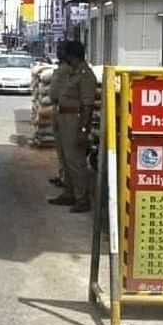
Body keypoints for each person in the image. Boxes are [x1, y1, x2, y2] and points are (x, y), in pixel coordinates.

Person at [48, 40, 97, 213]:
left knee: (75, 161)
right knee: (65, 158)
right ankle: (69, 193)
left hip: (74, 120)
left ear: (72, 55)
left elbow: (88, 106)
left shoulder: (85, 75)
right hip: (63, 118)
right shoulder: (72, 72)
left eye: (66, 53)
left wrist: (84, 129)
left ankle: (82, 198)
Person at [48, 42, 71, 188]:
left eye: (61, 50)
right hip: (58, 110)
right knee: (61, 148)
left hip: (67, 112)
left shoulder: (68, 70)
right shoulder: (60, 68)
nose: (58, 52)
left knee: (67, 150)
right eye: (57, 49)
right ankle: (62, 175)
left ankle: (68, 181)